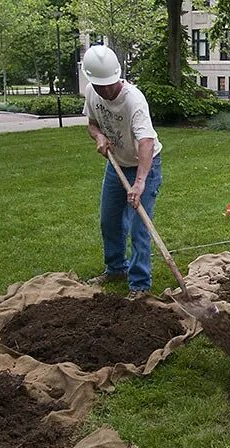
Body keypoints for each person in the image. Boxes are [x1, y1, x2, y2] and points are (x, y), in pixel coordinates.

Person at [81, 45, 163, 300]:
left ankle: (139, 284)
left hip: (144, 166)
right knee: (110, 220)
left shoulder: (133, 100)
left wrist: (139, 183)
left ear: (118, 75)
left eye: (109, 84)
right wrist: (99, 137)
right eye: (99, 85)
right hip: (116, 165)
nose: (105, 91)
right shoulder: (91, 92)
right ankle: (116, 268)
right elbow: (92, 123)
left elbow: (146, 142)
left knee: (140, 226)